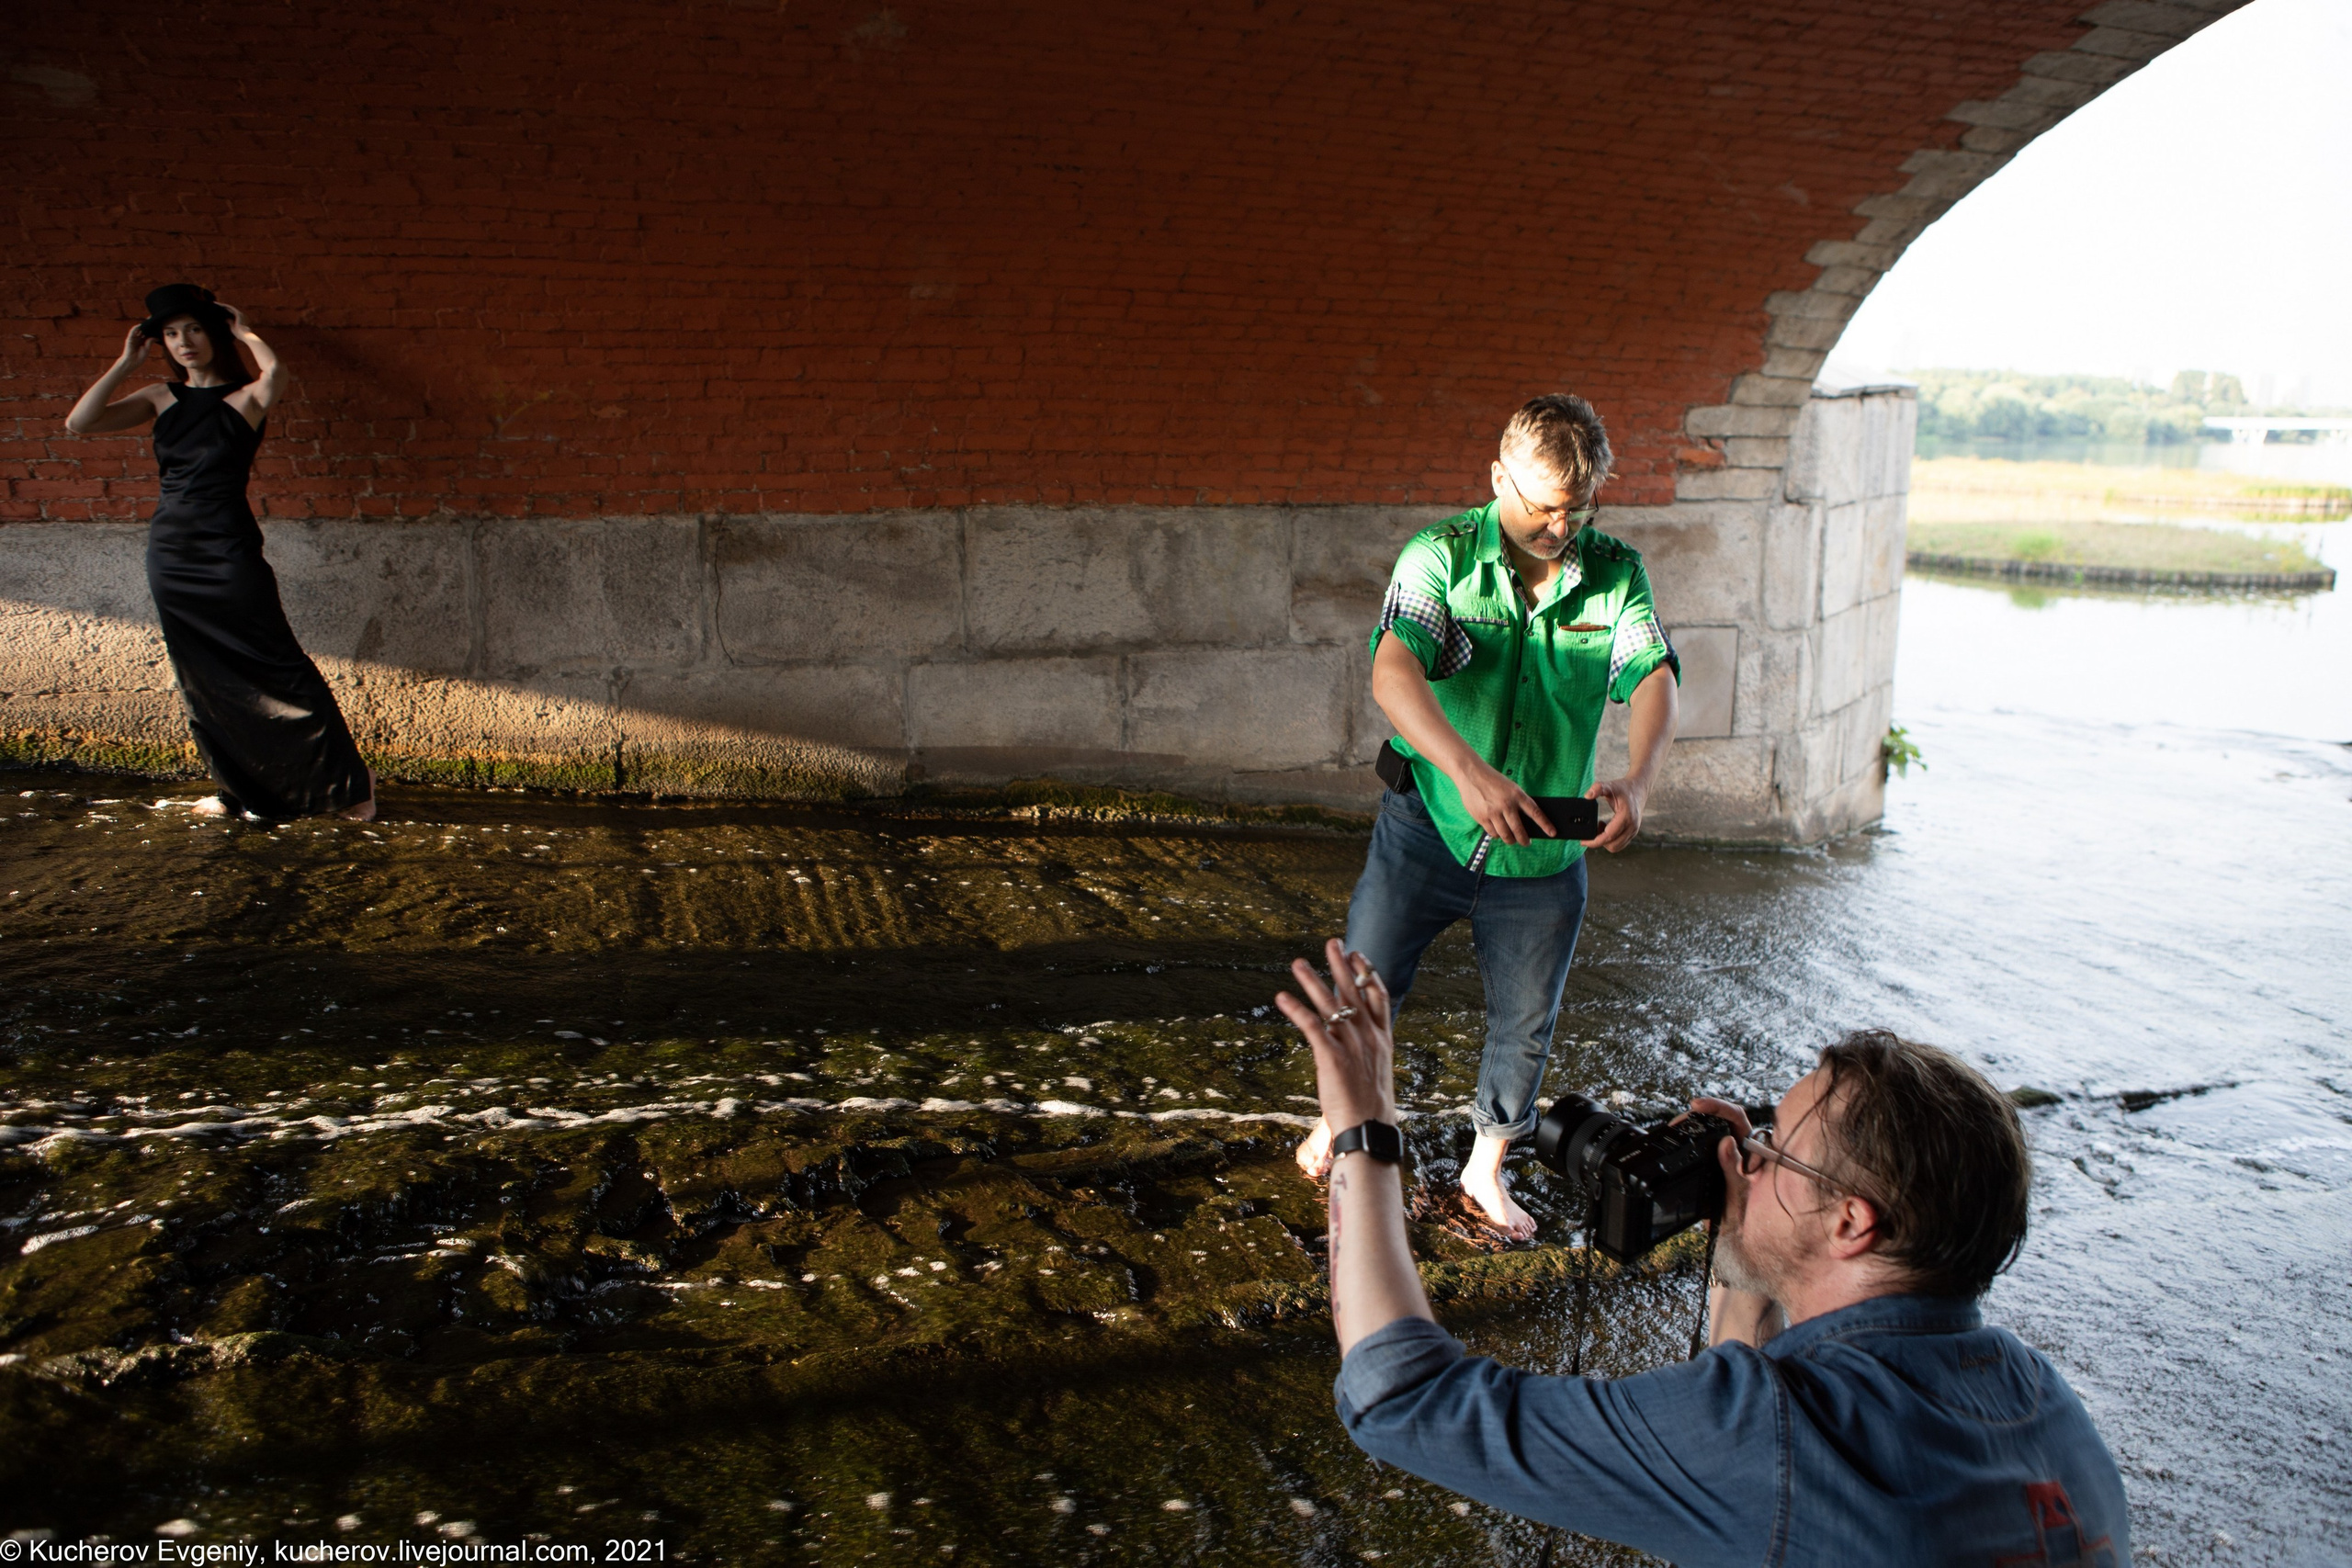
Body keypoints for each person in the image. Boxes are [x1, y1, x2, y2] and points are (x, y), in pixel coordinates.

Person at [1276, 941, 2131, 1567]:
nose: (1745, 1158)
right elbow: (1755, 1506)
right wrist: (1743, 1247)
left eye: (1774, 1150)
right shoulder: (2052, 1412)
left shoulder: (1775, 1432)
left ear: (1851, 1225)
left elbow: (1403, 1398)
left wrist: (1365, 1129)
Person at [1295, 394, 1679, 1240]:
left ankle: (1486, 1166)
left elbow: (1653, 675)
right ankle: (1342, 1116)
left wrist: (1641, 782)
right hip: (1427, 825)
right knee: (1366, 985)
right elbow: (1393, 671)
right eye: (1538, 505)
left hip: (1543, 858)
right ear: (1496, 475)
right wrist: (1466, 772)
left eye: (1574, 510)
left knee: (1524, 1018)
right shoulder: (1439, 558)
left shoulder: (1615, 573)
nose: (1555, 527)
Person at [63, 284, 375, 821]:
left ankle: (351, 785)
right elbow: (80, 423)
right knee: (200, 674)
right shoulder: (162, 397)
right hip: (171, 552)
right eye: (171, 333)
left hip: (228, 548)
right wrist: (124, 362)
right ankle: (242, 790)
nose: (184, 341)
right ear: (160, 341)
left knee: (277, 663)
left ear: (215, 334)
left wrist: (248, 332)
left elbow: (276, 376)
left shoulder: (247, 396)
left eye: (195, 329)